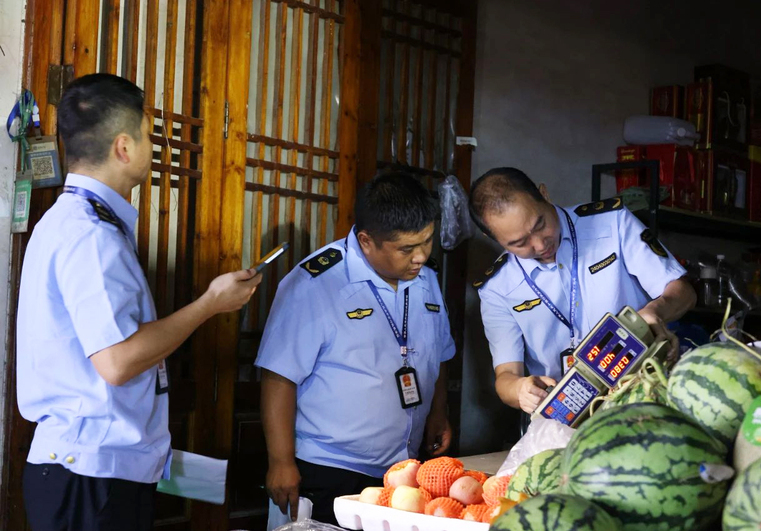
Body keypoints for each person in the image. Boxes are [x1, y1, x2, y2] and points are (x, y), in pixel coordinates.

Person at [16, 73, 262, 531]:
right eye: (149, 135)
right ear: (124, 147)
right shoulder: (90, 234)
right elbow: (118, 361)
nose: (154, 147)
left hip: (100, 468)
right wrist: (210, 303)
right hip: (90, 475)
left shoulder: (74, 221)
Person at [257, 173, 455, 524]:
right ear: (366, 241)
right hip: (331, 467)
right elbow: (278, 377)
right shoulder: (315, 285)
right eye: (406, 249)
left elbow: (437, 354)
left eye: (427, 241)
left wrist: (438, 411)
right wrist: (281, 461)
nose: (421, 256)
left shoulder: (424, 278)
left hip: (402, 469)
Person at [469, 167, 696, 413]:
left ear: (544, 195)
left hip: (645, 395)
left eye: (540, 224)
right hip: (569, 412)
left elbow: (684, 292)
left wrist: (656, 310)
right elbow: (506, 376)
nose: (540, 244)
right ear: (492, 237)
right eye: (519, 243)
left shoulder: (612, 223)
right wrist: (520, 389)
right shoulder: (497, 287)